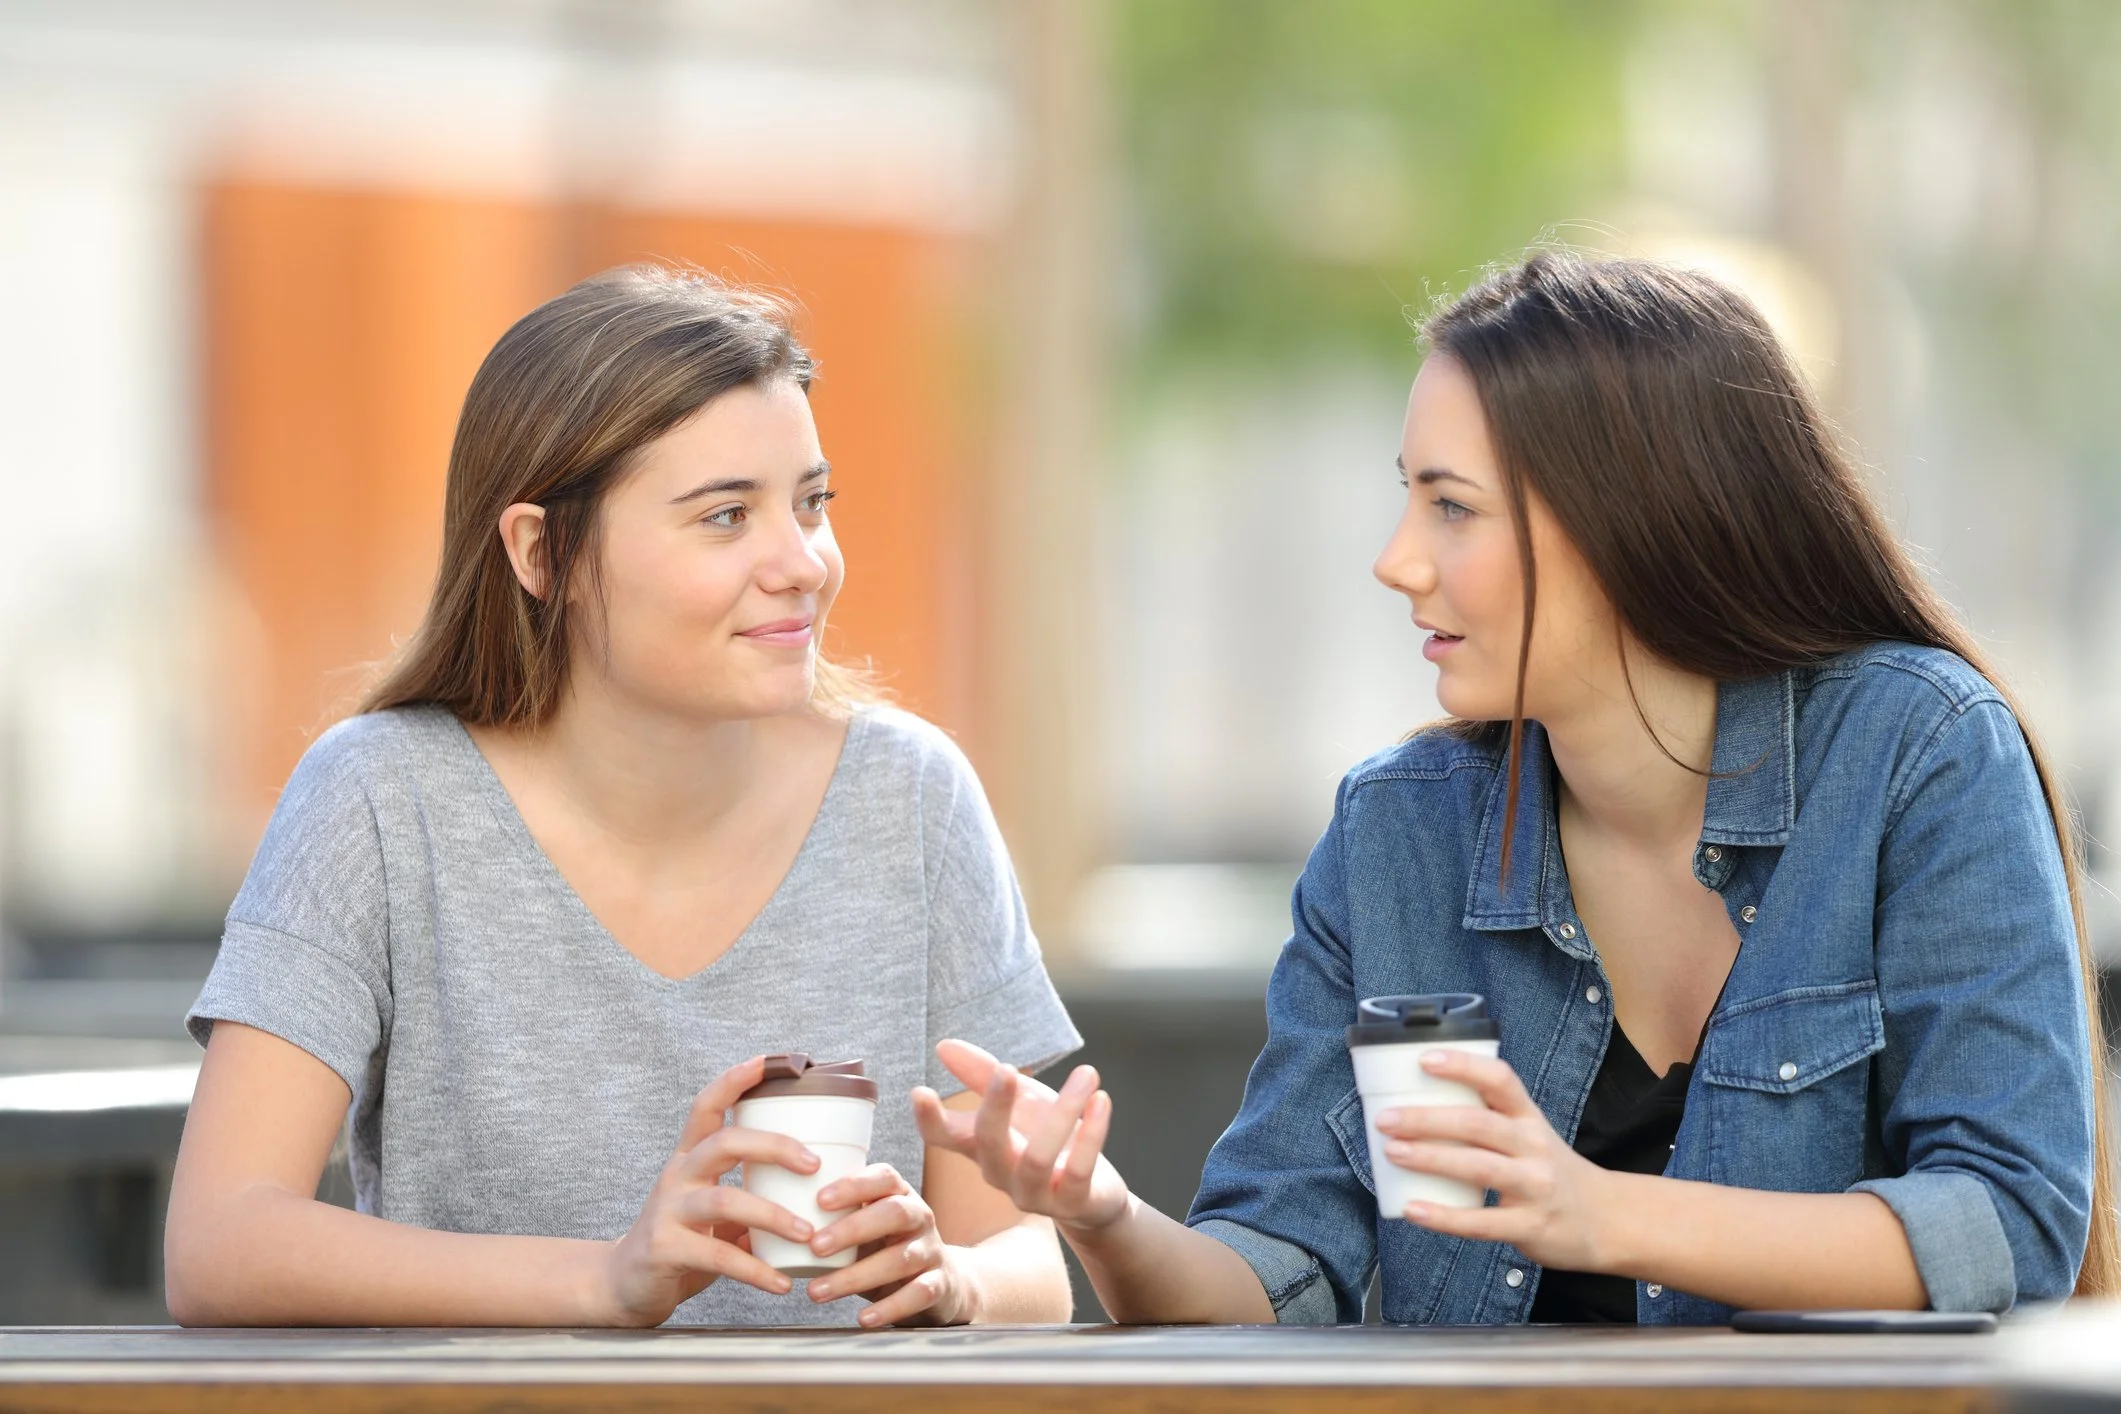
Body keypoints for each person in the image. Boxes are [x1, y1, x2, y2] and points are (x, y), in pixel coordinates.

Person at [918, 251, 2115, 1324]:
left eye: (1451, 507)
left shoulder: (1921, 750)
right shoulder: (1398, 830)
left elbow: (2009, 1223)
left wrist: (1596, 1210)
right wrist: (1104, 1215)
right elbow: (1279, 1271)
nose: (1396, 559)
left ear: (1632, 521)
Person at [166, 266, 1081, 1329]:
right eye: (726, 516)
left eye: (812, 503)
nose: (804, 563)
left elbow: (1032, 1261)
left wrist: (954, 1279)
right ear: (539, 551)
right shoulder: (378, 798)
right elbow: (221, 1238)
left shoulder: (915, 799)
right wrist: (605, 1280)